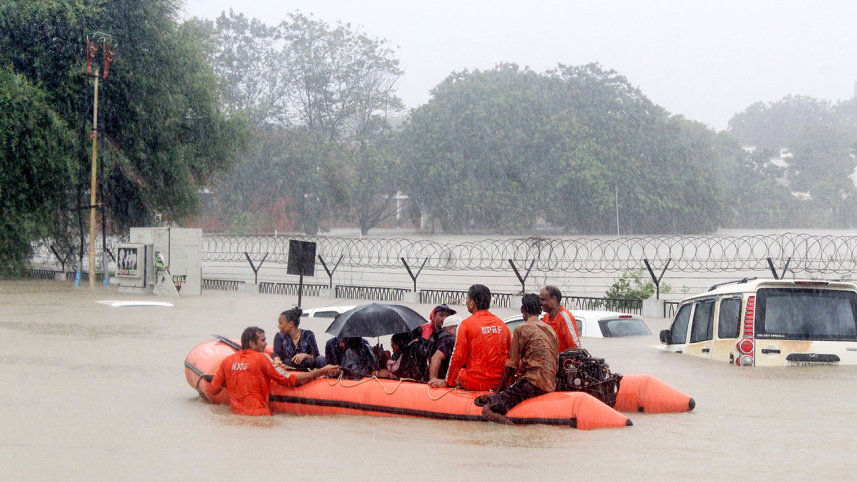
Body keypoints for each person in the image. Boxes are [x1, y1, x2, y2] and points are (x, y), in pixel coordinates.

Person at [207, 326, 339, 416]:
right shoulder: (263, 358)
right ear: (252, 344)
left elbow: (213, 390)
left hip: (237, 418)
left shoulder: (227, 362)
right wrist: (322, 372)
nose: (266, 344)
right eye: (263, 340)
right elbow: (290, 380)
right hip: (260, 416)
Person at [479, 293, 559, 425]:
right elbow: (554, 360)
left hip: (532, 384)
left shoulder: (520, 329)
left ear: (522, 310)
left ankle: (515, 433)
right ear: (540, 310)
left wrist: (497, 392)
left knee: (487, 410)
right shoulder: (550, 330)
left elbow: (512, 365)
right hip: (550, 384)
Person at [428, 284, 511, 391]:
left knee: (460, 373)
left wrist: (448, 382)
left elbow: (458, 357)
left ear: (472, 303)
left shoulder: (466, 324)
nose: (466, 302)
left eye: (467, 298)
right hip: (499, 383)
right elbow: (512, 357)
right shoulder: (502, 326)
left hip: (476, 383)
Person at [540, 285, 581, 352]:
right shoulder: (545, 318)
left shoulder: (565, 317)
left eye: (543, 299)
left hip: (563, 361)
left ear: (553, 299)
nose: (541, 303)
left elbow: (575, 348)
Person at [428, 314, 462, 380]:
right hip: (443, 380)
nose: (461, 331)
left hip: (439, 376)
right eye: (458, 328)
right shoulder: (450, 340)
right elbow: (436, 358)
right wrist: (433, 380)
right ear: (449, 329)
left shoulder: (437, 337)